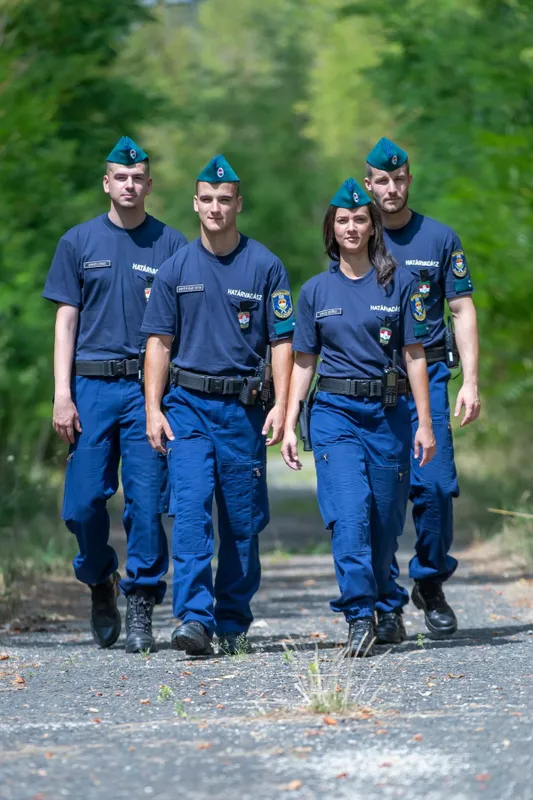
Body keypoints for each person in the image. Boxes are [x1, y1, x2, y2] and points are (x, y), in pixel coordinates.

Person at [141, 155, 295, 656]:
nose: (215, 208)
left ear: (238, 204)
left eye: (224, 200)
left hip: (243, 412)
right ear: (195, 203)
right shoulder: (175, 269)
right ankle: (194, 618)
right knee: (190, 512)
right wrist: (153, 409)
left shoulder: (265, 266)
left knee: (241, 522)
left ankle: (232, 621)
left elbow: (282, 343)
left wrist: (282, 404)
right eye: (207, 199)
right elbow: (159, 343)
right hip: (186, 408)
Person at [43, 136, 187, 653]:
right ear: (107, 183)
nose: (129, 184)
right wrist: (62, 393)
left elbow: (183, 325)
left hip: (147, 390)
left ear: (149, 185)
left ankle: (142, 601)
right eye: (120, 177)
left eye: (137, 178)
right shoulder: (77, 242)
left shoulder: (172, 245)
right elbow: (66, 321)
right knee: (83, 505)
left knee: (146, 505)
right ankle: (99, 578)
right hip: (90, 387)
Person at [281, 179, 436, 656]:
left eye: (360, 220)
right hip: (335, 414)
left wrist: (425, 423)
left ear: (373, 228)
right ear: (332, 228)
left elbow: (414, 356)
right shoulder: (316, 290)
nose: (351, 227)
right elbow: (303, 360)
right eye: (343, 220)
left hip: (388, 416)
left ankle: (388, 604)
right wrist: (289, 421)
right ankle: (359, 616)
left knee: (384, 523)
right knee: (349, 514)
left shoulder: (399, 284)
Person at [364, 137, 480, 642]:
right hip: (374, 384)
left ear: (409, 180)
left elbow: (462, 309)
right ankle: (385, 602)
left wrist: (470, 381)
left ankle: (430, 583)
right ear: (369, 184)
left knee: (434, 488)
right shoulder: (357, 234)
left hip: (428, 378)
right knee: (381, 498)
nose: (391, 188)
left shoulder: (439, 238)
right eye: (382, 181)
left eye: (399, 179)